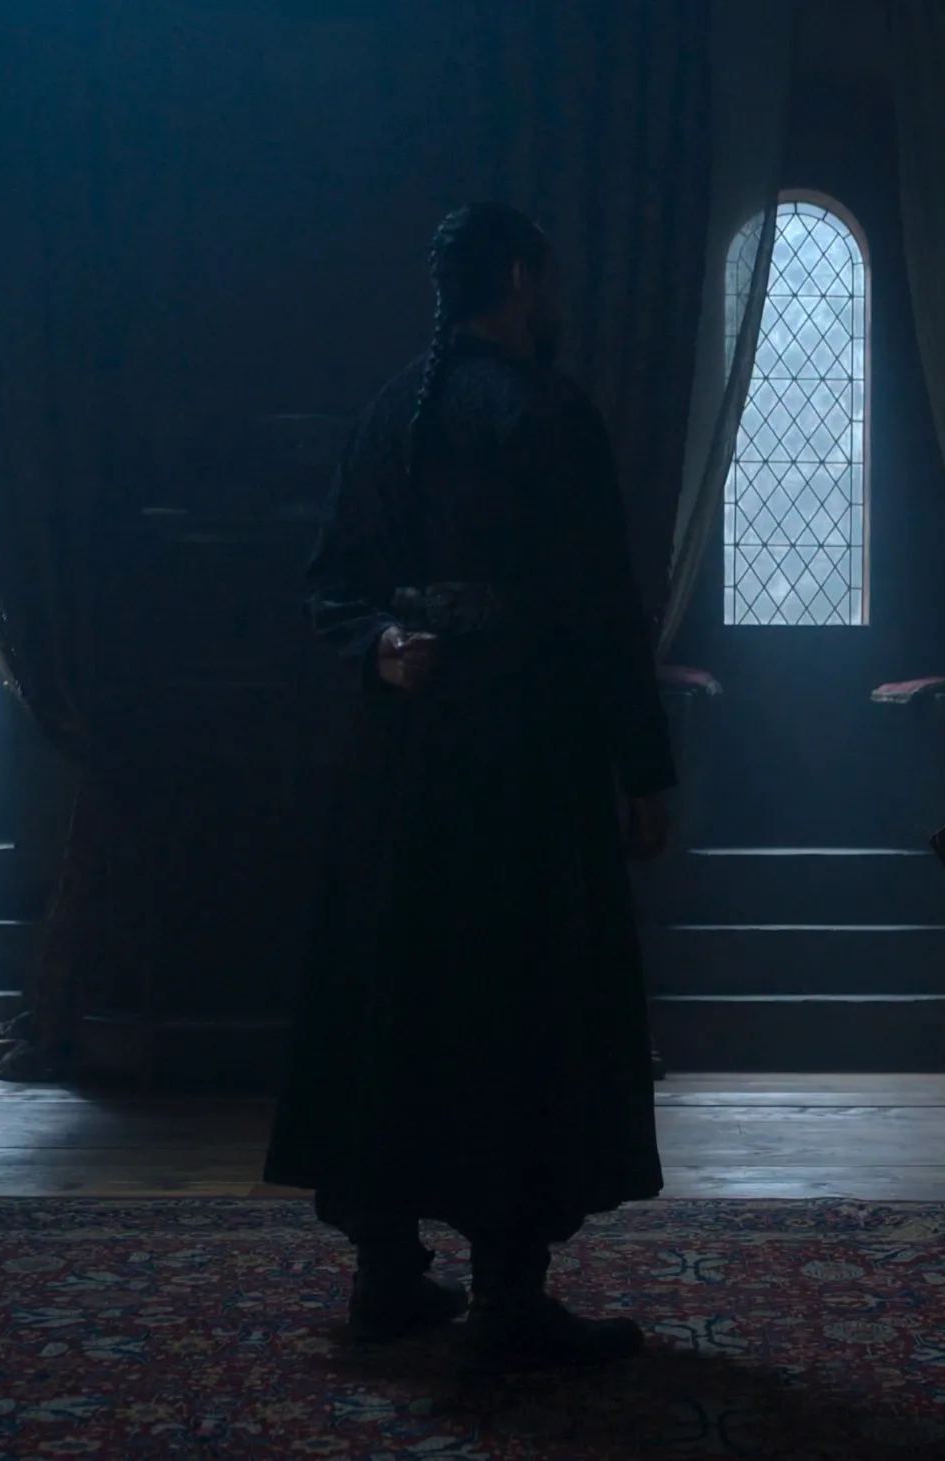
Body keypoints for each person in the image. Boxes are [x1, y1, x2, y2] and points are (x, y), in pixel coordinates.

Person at [262, 203, 675, 1371]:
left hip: (403, 764)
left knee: (400, 992)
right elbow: (602, 611)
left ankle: (387, 1273)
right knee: (516, 1002)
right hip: (520, 762)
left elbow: (333, 584)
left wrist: (383, 644)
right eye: (550, 278)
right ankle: (507, 1293)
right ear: (524, 280)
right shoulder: (546, 411)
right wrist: (644, 770)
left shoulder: (393, 408)